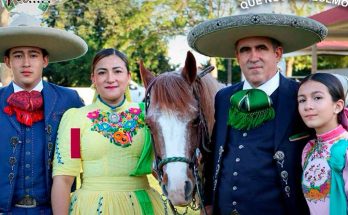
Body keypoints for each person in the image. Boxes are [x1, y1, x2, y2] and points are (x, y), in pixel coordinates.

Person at [187, 13, 328, 214]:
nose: (253, 57)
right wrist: (209, 201)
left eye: (261, 48)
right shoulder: (224, 97)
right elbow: (215, 153)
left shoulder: (300, 95)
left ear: (278, 54)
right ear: (237, 57)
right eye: (245, 50)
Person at [51, 48, 166, 215]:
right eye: (102, 72)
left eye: (117, 71)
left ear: (128, 77)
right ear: (93, 78)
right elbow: (65, 178)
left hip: (143, 206)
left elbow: (163, 168)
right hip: (92, 207)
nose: (110, 79)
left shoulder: (147, 116)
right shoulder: (77, 120)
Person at [0, 13, 87, 214]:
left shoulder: (69, 100)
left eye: (33, 55)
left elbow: (78, 149)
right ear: (7, 61)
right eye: (18, 55)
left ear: (45, 60)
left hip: (53, 209)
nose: (26, 63)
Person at [298, 73, 348, 215]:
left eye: (317, 98)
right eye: (302, 100)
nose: (307, 106)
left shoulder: (345, 149)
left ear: (338, 106)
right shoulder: (308, 150)